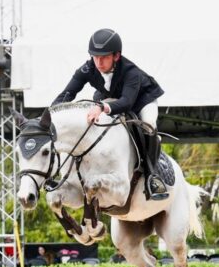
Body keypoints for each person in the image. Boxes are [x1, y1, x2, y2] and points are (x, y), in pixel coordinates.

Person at [51, 28, 168, 200]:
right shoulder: (87, 68)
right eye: (95, 56)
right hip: (109, 98)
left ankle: (152, 174)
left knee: (149, 125)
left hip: (141, 100)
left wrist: (101, 107)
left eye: (104, 57)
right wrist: (49, 116)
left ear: (116, 56)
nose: (99, 62)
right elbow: (67, 94)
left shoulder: (131, 72)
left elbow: (127, 102)